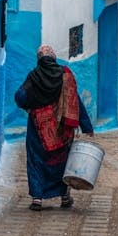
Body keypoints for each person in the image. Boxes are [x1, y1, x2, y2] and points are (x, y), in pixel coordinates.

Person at [14, 44, 94, 210]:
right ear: (54, 58)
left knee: (37, 160)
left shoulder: (34, 76)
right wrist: (86, 126)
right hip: (61, 129)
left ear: (39, 59)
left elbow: (20, 96)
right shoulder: (65, 75)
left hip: (38, 127)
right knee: (62, 161)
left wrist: (30, 108)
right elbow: (75, 100)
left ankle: (37, 199)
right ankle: (65, 197)